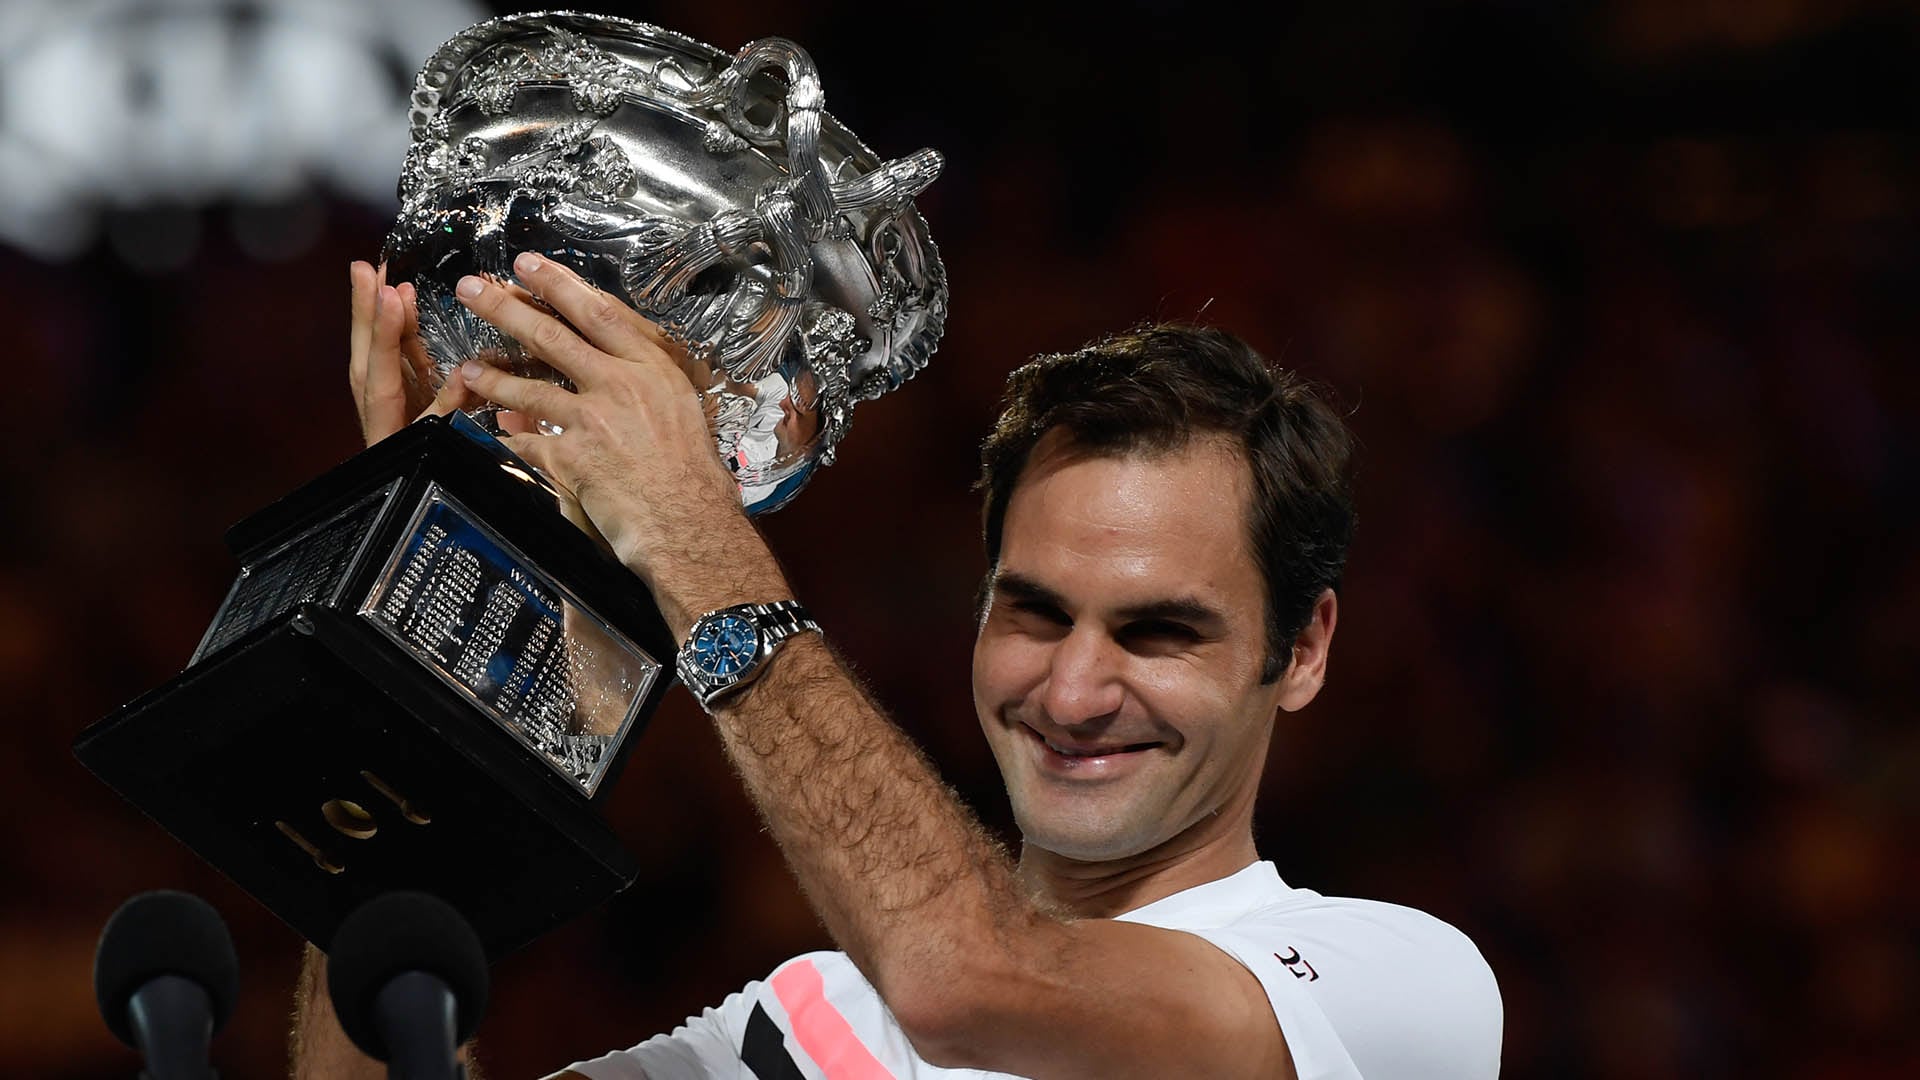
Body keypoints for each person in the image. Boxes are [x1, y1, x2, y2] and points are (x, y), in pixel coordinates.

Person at [296, 256, 1502, 1078]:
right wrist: (424, 604)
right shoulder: (810, 1023)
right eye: (1034, 615)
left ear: (1301, 651)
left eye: (1156, 632)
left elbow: (969, 978)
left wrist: (690, 535)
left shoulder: (1393, 990)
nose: (1074, 693)